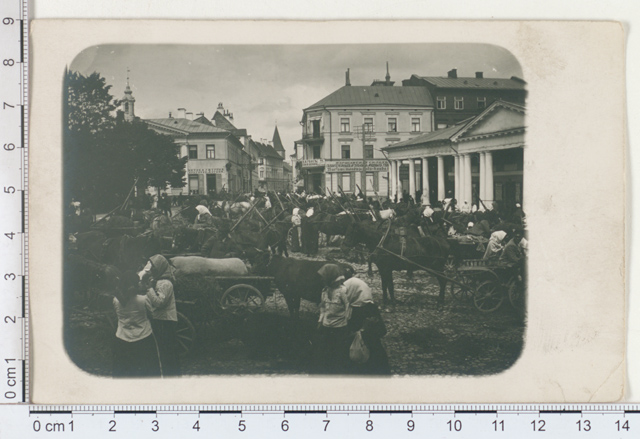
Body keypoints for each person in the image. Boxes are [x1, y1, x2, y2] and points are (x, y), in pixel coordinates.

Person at [112, 270, 161, 377]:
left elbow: (117, 314)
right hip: (143, 337)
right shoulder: (143, 300)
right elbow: (152, 314)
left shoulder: (116, 300)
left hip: (122, 337)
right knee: (148, 370)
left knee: (125, 371)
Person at [342, 269, 390, 375]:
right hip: (374, 354)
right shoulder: (370, 306)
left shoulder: (353, 309)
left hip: (360, 353)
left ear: (352, 292)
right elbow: (382, 330)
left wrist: (361, 332)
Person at [142, 255, 180, 377]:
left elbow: (159, 302)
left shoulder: (165, 283)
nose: (151, 271)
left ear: (159, 268)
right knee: (163, 351)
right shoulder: (159, 281)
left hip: (165, 321)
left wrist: (149, 289)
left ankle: (169, 376)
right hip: (161, 320)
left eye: (153, 268)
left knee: (166, 351)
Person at [314, 264, 350, 374]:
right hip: (326, 326)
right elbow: (324, 308)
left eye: (324, 277)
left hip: (339, 328)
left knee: (338, 352)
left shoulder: (343, 291)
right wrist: (320, 321)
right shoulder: (325, 291)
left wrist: (347, 321)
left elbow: (348, 307)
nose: (322, 280)